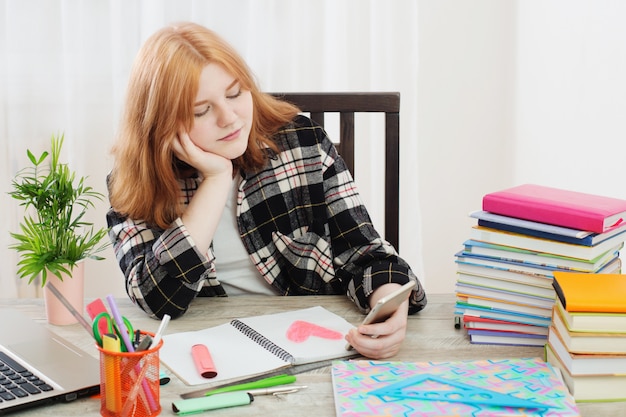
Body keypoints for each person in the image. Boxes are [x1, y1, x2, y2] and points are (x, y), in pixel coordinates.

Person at [106, 22, 426, 359]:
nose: (230, 118)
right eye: (201, 111)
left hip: (315, 346)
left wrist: (390, 302)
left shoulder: (302, 142)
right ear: (162, 123)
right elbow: (158, 300)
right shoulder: (134, 182)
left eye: (235, 93)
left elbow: (366, 254)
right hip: (208, 355)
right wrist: (215, 181)